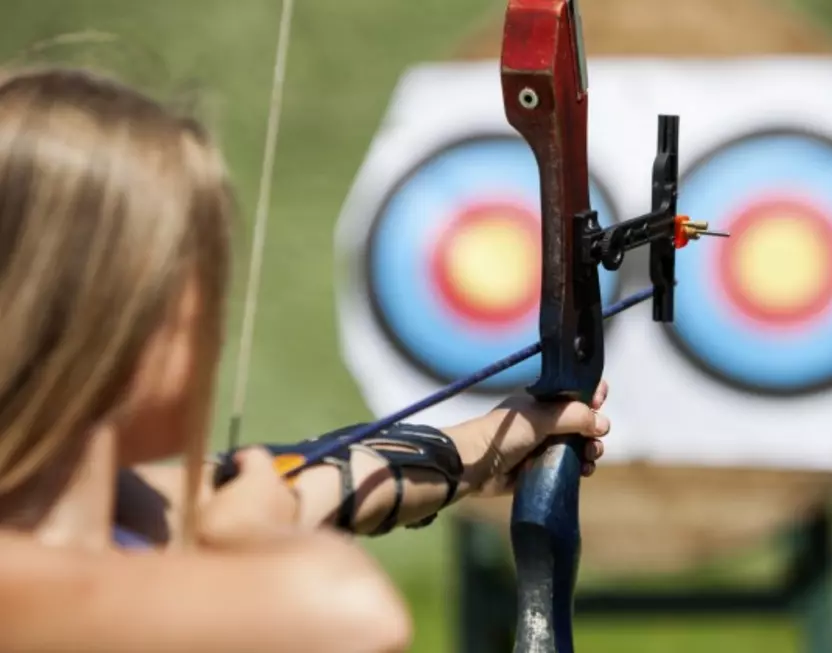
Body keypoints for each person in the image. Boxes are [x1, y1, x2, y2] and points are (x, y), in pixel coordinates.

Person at [0, 67, 611, 652]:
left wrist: (478, 447)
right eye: (201, 292)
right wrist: (250, 536)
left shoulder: (116, 509)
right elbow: (358, 619)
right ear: (117, 321)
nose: (216, 326)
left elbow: (313, 484)